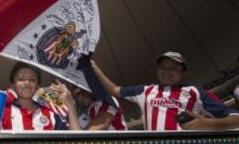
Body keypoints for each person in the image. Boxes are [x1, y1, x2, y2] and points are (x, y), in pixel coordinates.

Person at [91, 51, 239, 130]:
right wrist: (94, 67)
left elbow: (236, 118)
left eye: (174, 68)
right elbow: (115, 90)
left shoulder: (195, 91)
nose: (167, 71)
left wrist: (207, 124)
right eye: (163, 67)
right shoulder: (145, 90)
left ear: (183, 72)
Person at [0, 62, 80, 130]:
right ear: (12, 85)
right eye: (21, 79)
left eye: (32, 80)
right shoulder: (0, 111)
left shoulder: (51, 113)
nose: (27, 83)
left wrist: (70, 104)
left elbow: (75, 140)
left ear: (38, 86)